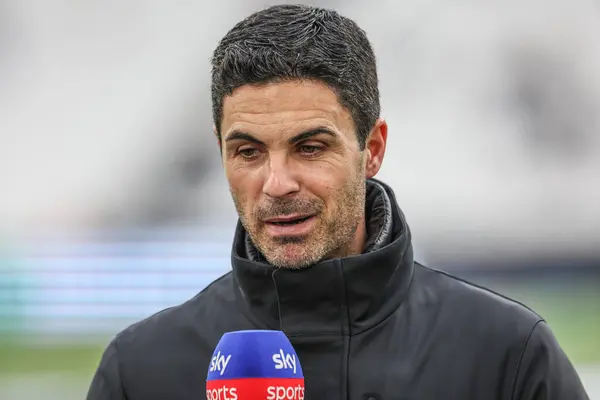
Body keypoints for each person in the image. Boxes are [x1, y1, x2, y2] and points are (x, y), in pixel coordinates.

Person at [86, 4, 589, 399]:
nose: (277, 183)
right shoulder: (140, 370)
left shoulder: (507, 354)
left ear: (372, 149)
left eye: (309, 148)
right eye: (248, 151)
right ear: (221, 153)